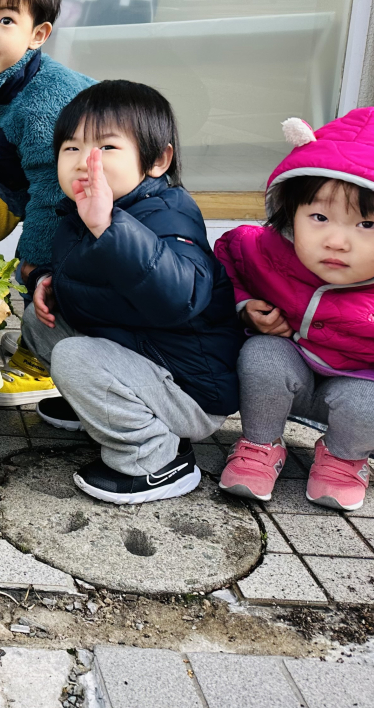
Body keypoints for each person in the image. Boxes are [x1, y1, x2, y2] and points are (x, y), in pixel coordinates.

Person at [21, 81, 243, 504]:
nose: (86, 162)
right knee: (40, 318)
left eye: (106, 147)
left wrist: (108, 227)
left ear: (158, 160)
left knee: (73, 357)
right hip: (144, 355)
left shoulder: (169, 214)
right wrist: (44, 281)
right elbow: (95, 282)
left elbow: (179, 297)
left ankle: (155, 457)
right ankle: (103, 410)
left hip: (190, 388)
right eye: (71, 148)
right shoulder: (81, 214)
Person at [215, 109, 374, 512]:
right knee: (261, 354)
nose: (335, 241)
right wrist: (244, 306)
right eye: (318, 217)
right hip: (291, 367)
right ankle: (260, 445)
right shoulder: (264, 250)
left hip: (363, 384)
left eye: (366, 225)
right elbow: (225, 261)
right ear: (291, 213)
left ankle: (344, 459)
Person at [0, 0, 97, 405]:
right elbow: (6, 178)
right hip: (73, 207)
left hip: (96, 212)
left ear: (38, 34)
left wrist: (32, 263)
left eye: (5, 21)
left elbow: (50, 195)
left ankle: (40, 364)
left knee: (44, 275)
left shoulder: (43, 102)